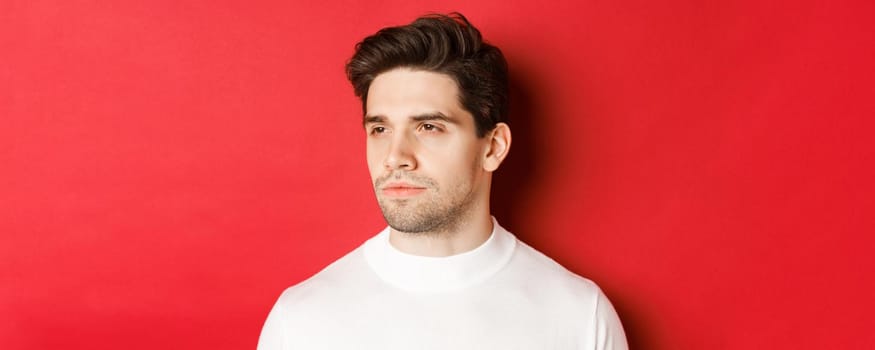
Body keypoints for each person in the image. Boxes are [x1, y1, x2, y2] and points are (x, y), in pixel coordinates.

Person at [257, 12, 628, 350]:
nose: (395, 156)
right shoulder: (301, 321)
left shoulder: (579, 317)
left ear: (493, 147)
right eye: (380, 128)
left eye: (429, 127)